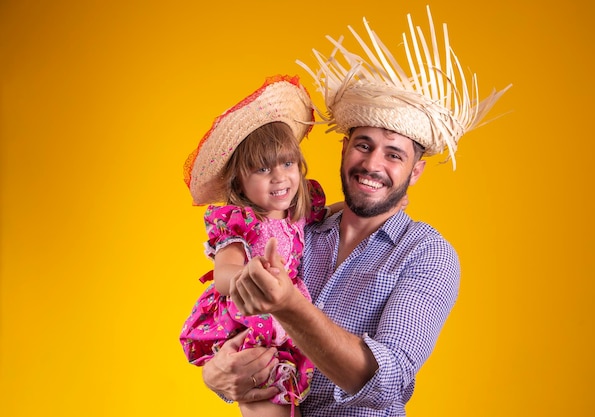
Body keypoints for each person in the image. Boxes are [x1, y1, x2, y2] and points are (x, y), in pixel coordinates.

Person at [201, 7, 512, 416]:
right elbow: (241, 330)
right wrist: (217, 374)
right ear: (344, 148)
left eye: (394, 154)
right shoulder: (296, 227)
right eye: (363, 145)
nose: (372, 165)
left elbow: (389, 382)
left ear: (415, 171)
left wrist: (290, 305)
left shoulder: (427, 255)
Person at [179, 75, 340, 417]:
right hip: (251, 317)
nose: (280, 177)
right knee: (263, 393)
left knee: (290, 398)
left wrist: (355, 209)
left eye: (287, 163)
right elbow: (223, 271)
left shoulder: (298, 211)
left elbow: (328, 213)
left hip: (286, 314)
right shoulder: (240, 221)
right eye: (263, 169)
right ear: (239, 180)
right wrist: (247, 275)